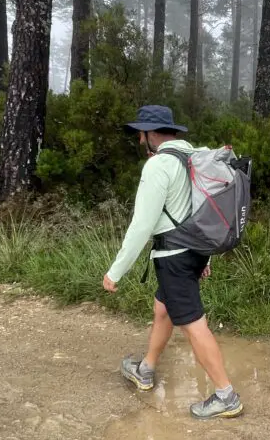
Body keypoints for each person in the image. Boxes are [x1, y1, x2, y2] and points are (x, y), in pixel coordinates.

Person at [102, 105, 243, 420]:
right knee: (162, 309)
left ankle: (226, 395)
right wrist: (203, 257)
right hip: (193, 251)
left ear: (152, 134)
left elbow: (142, 225)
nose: (140, 142)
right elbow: (201, 209)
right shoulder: (194, 158)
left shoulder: (158, 166)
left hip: (174, 258)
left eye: (141, 135)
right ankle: (146, 369)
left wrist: (116, 271)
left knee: (194, 326)